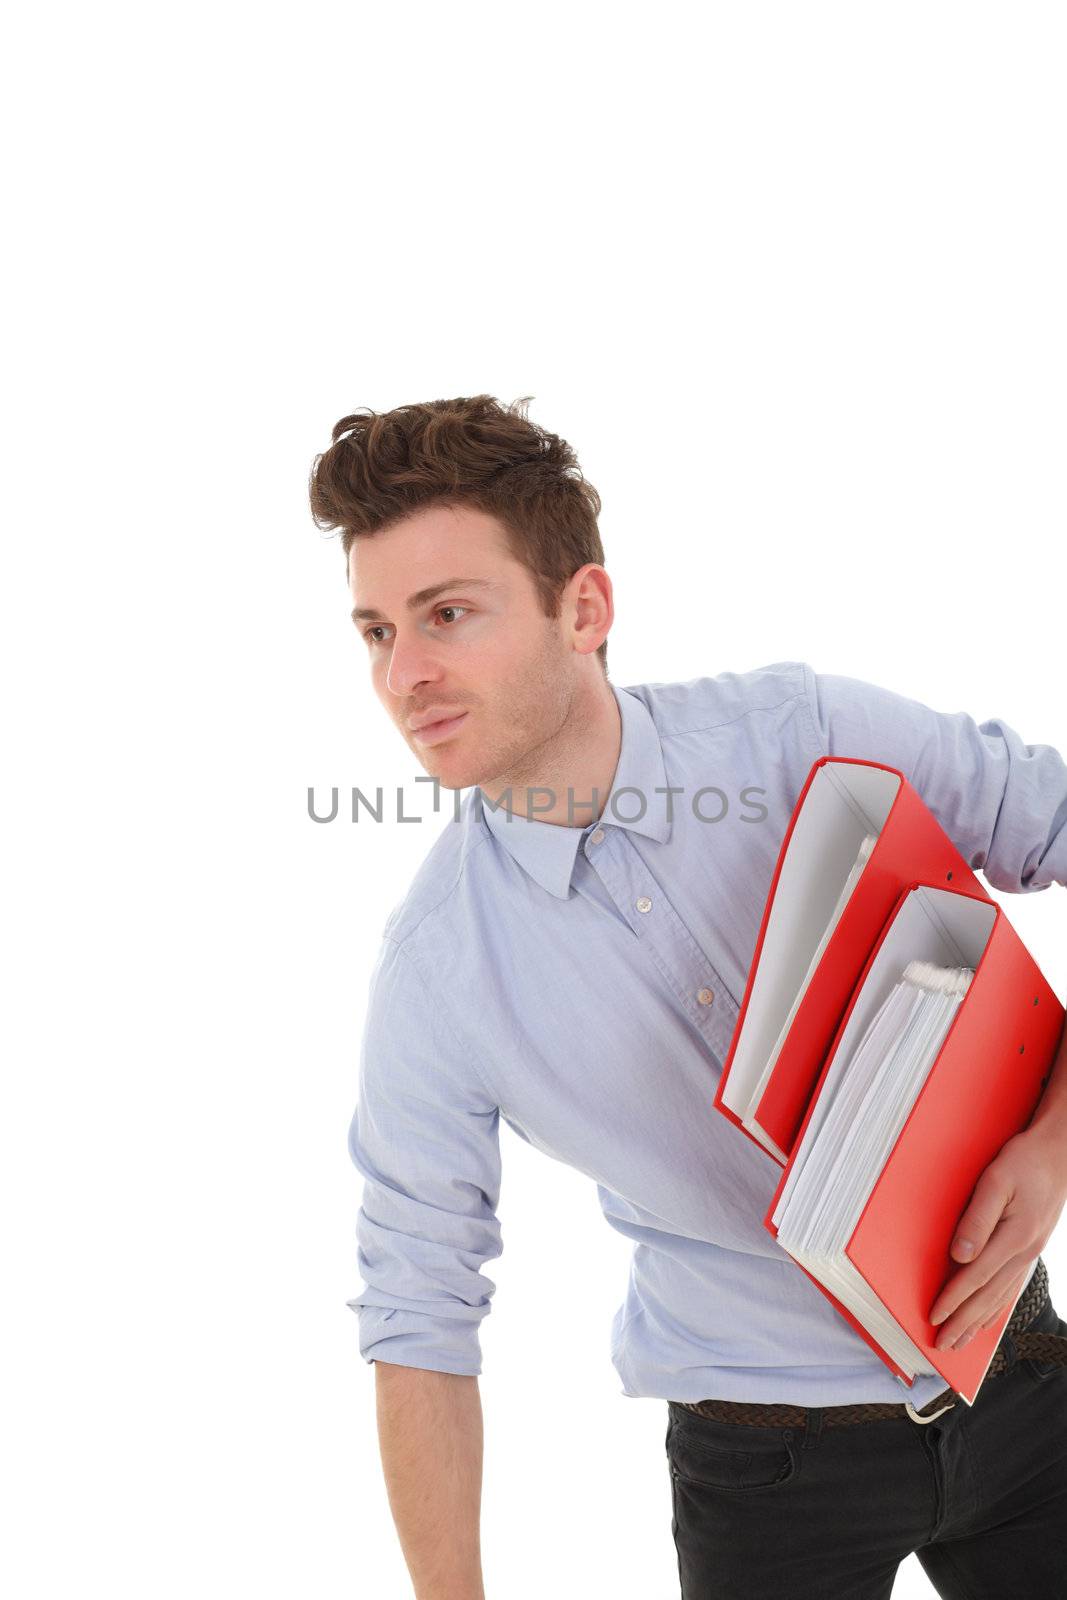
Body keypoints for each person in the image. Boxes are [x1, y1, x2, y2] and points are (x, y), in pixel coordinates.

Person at [308, 394, 1067, 1598]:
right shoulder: (436, 973)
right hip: (767, 1472)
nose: (405, 674)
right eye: (373, 631)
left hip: (1023, 1379)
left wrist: (1053, 1142)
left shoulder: (805, 735)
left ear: (584, 610)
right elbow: (416, 1312)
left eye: (445, 613)